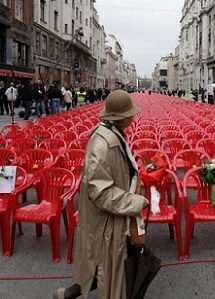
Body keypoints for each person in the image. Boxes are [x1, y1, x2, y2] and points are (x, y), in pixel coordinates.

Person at [53, 90, 149, 299]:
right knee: (109, 265)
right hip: (107, 218)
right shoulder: (102, 143)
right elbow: (101, 191)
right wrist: (135, 201)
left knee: (104, 264)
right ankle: (73, 292)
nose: (133, 116)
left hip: (114, 214)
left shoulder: (113, 135)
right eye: (130, 113)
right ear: (121, 117)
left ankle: (70, 293)